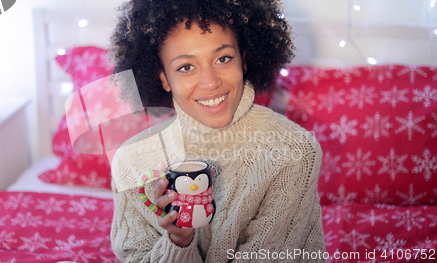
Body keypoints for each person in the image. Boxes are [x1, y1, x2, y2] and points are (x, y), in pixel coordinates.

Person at [109, 0, 325, 262]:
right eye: (186, 67)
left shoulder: (293, 150)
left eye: (223, 58)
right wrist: (179, 241)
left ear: (243, 61)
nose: (210, 83)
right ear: (164, 78)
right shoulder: (132, 161)